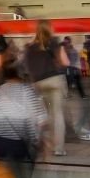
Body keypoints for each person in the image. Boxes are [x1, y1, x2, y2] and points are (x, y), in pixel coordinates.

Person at [21, 20, 73, 149]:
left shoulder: (29, 47)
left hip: (38, 83)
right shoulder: (54, 42)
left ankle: (43, 144)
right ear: (49, 29)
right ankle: (59, 148)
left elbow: (27, 68)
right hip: (54, 81)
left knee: (45, 115)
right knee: (57, 114)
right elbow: (65, 63)